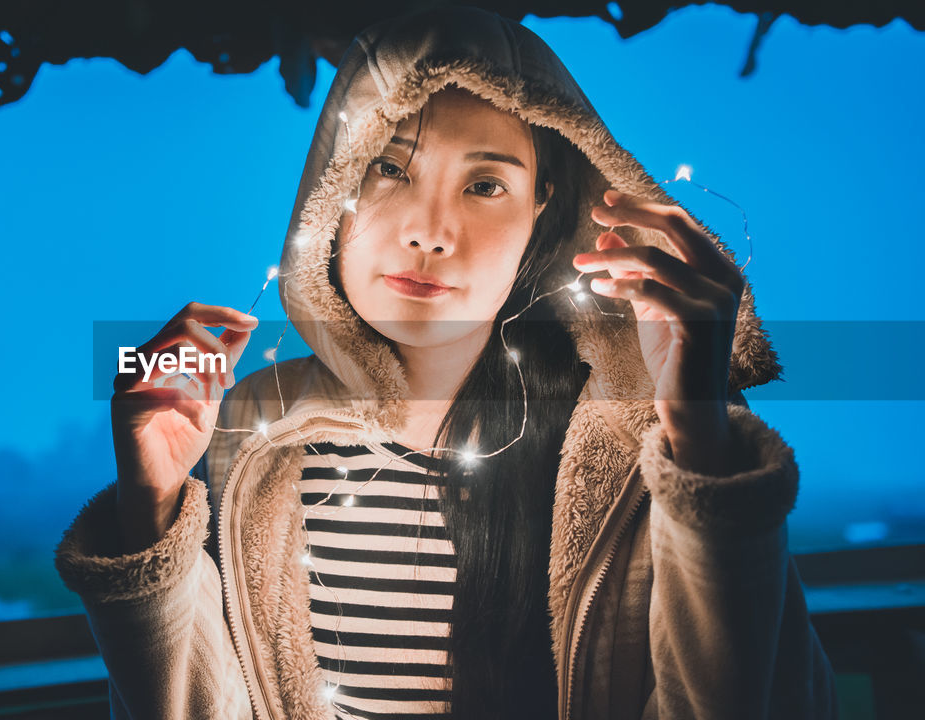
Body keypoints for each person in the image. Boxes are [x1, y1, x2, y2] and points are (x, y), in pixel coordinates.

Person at [54, 6, 837, 719]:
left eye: (486, 184)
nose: (431, 231)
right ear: (332, 186)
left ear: (541, 215)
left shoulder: (647, 440)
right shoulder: (251, 431)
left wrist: (698, 432)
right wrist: (149, 509)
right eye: (391, 168)